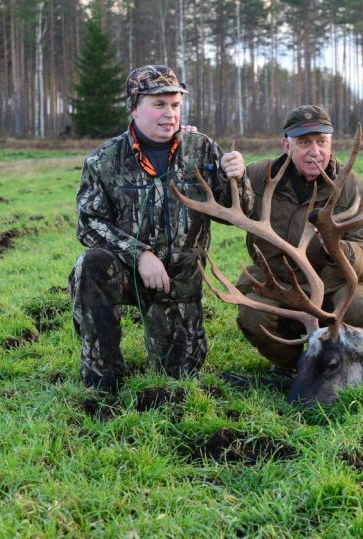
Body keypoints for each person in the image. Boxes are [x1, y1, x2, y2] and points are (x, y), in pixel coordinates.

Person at [69, 65, 253, 391]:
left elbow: (239, 213)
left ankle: (169, 346)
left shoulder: (202, 150)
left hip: (180, 286)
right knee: (91, 265)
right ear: (134, 107)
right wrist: (139, 255)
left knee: (178, 378)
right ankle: (104, 375)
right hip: (127, 273)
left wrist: (238, 179)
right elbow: (89, 224)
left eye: (175, 105)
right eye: (159, 104)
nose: (170, 114)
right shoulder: (103, 160)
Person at [235, 105, 363, 373]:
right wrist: (231, 176)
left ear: (331, 143)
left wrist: (339, 249)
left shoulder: (354, 188)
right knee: (253, 314)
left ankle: (337, 365)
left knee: (358, 309)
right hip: (277, 282)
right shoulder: (258, 176)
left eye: (321, 141)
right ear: (286, 145)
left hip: (333, 285)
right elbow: (225, 207)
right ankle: (292, 367)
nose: (315, 151)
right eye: (304, 142)